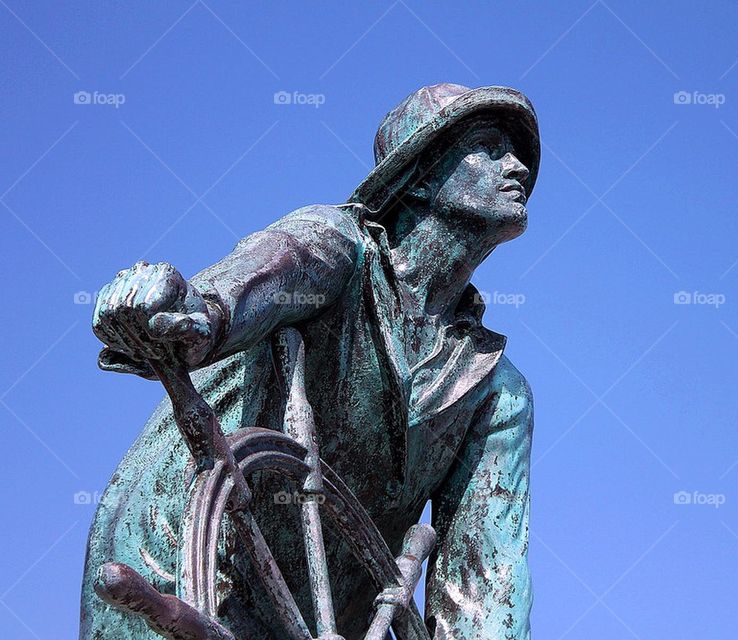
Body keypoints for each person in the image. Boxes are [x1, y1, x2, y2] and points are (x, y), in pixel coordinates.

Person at [80, 83, 540, 640]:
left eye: (516, 152)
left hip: (312, 619)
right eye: (489, 145)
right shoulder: (335, 246)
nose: (516, 165)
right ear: (417, 174)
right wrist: (189, 317)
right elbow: (261, 276)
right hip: (179, 559)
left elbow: (485, 583)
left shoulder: (497, 393)